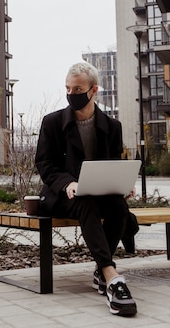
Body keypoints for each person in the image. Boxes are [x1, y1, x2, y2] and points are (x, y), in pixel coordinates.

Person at [35, 61, 137, 317]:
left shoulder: (112, 127)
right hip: (60, 195)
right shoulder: (52, 122)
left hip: (97, 192)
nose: (71, 94)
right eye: (68, 89)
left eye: (77, 88)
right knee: (85, 202)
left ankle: (102, 273)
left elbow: (113, 162)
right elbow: (44, 163)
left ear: (93, 90)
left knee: (119, 207)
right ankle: (111, 276)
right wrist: (67, 183)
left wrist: (122, 184)